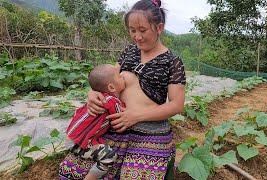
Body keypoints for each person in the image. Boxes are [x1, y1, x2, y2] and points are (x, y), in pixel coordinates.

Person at [59, 0, 186, 179]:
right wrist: (93, 93)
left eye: (143, 30)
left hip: (150, 130)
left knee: (135, 175)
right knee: (71, 171)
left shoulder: (172, 62)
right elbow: (109, 79)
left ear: (159, 28)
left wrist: (135, 116)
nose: (137, 37)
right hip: (114, 126)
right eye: (132, 30)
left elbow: (177, 105)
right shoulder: (129, 52)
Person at [61, 64, 125, 180]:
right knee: (109, 156)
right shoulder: (111, 101)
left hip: (71, 137)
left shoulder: (97, 98)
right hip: (80, 143)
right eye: (119, 76)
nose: (123, 76)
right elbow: (119, 119)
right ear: (111, 88)